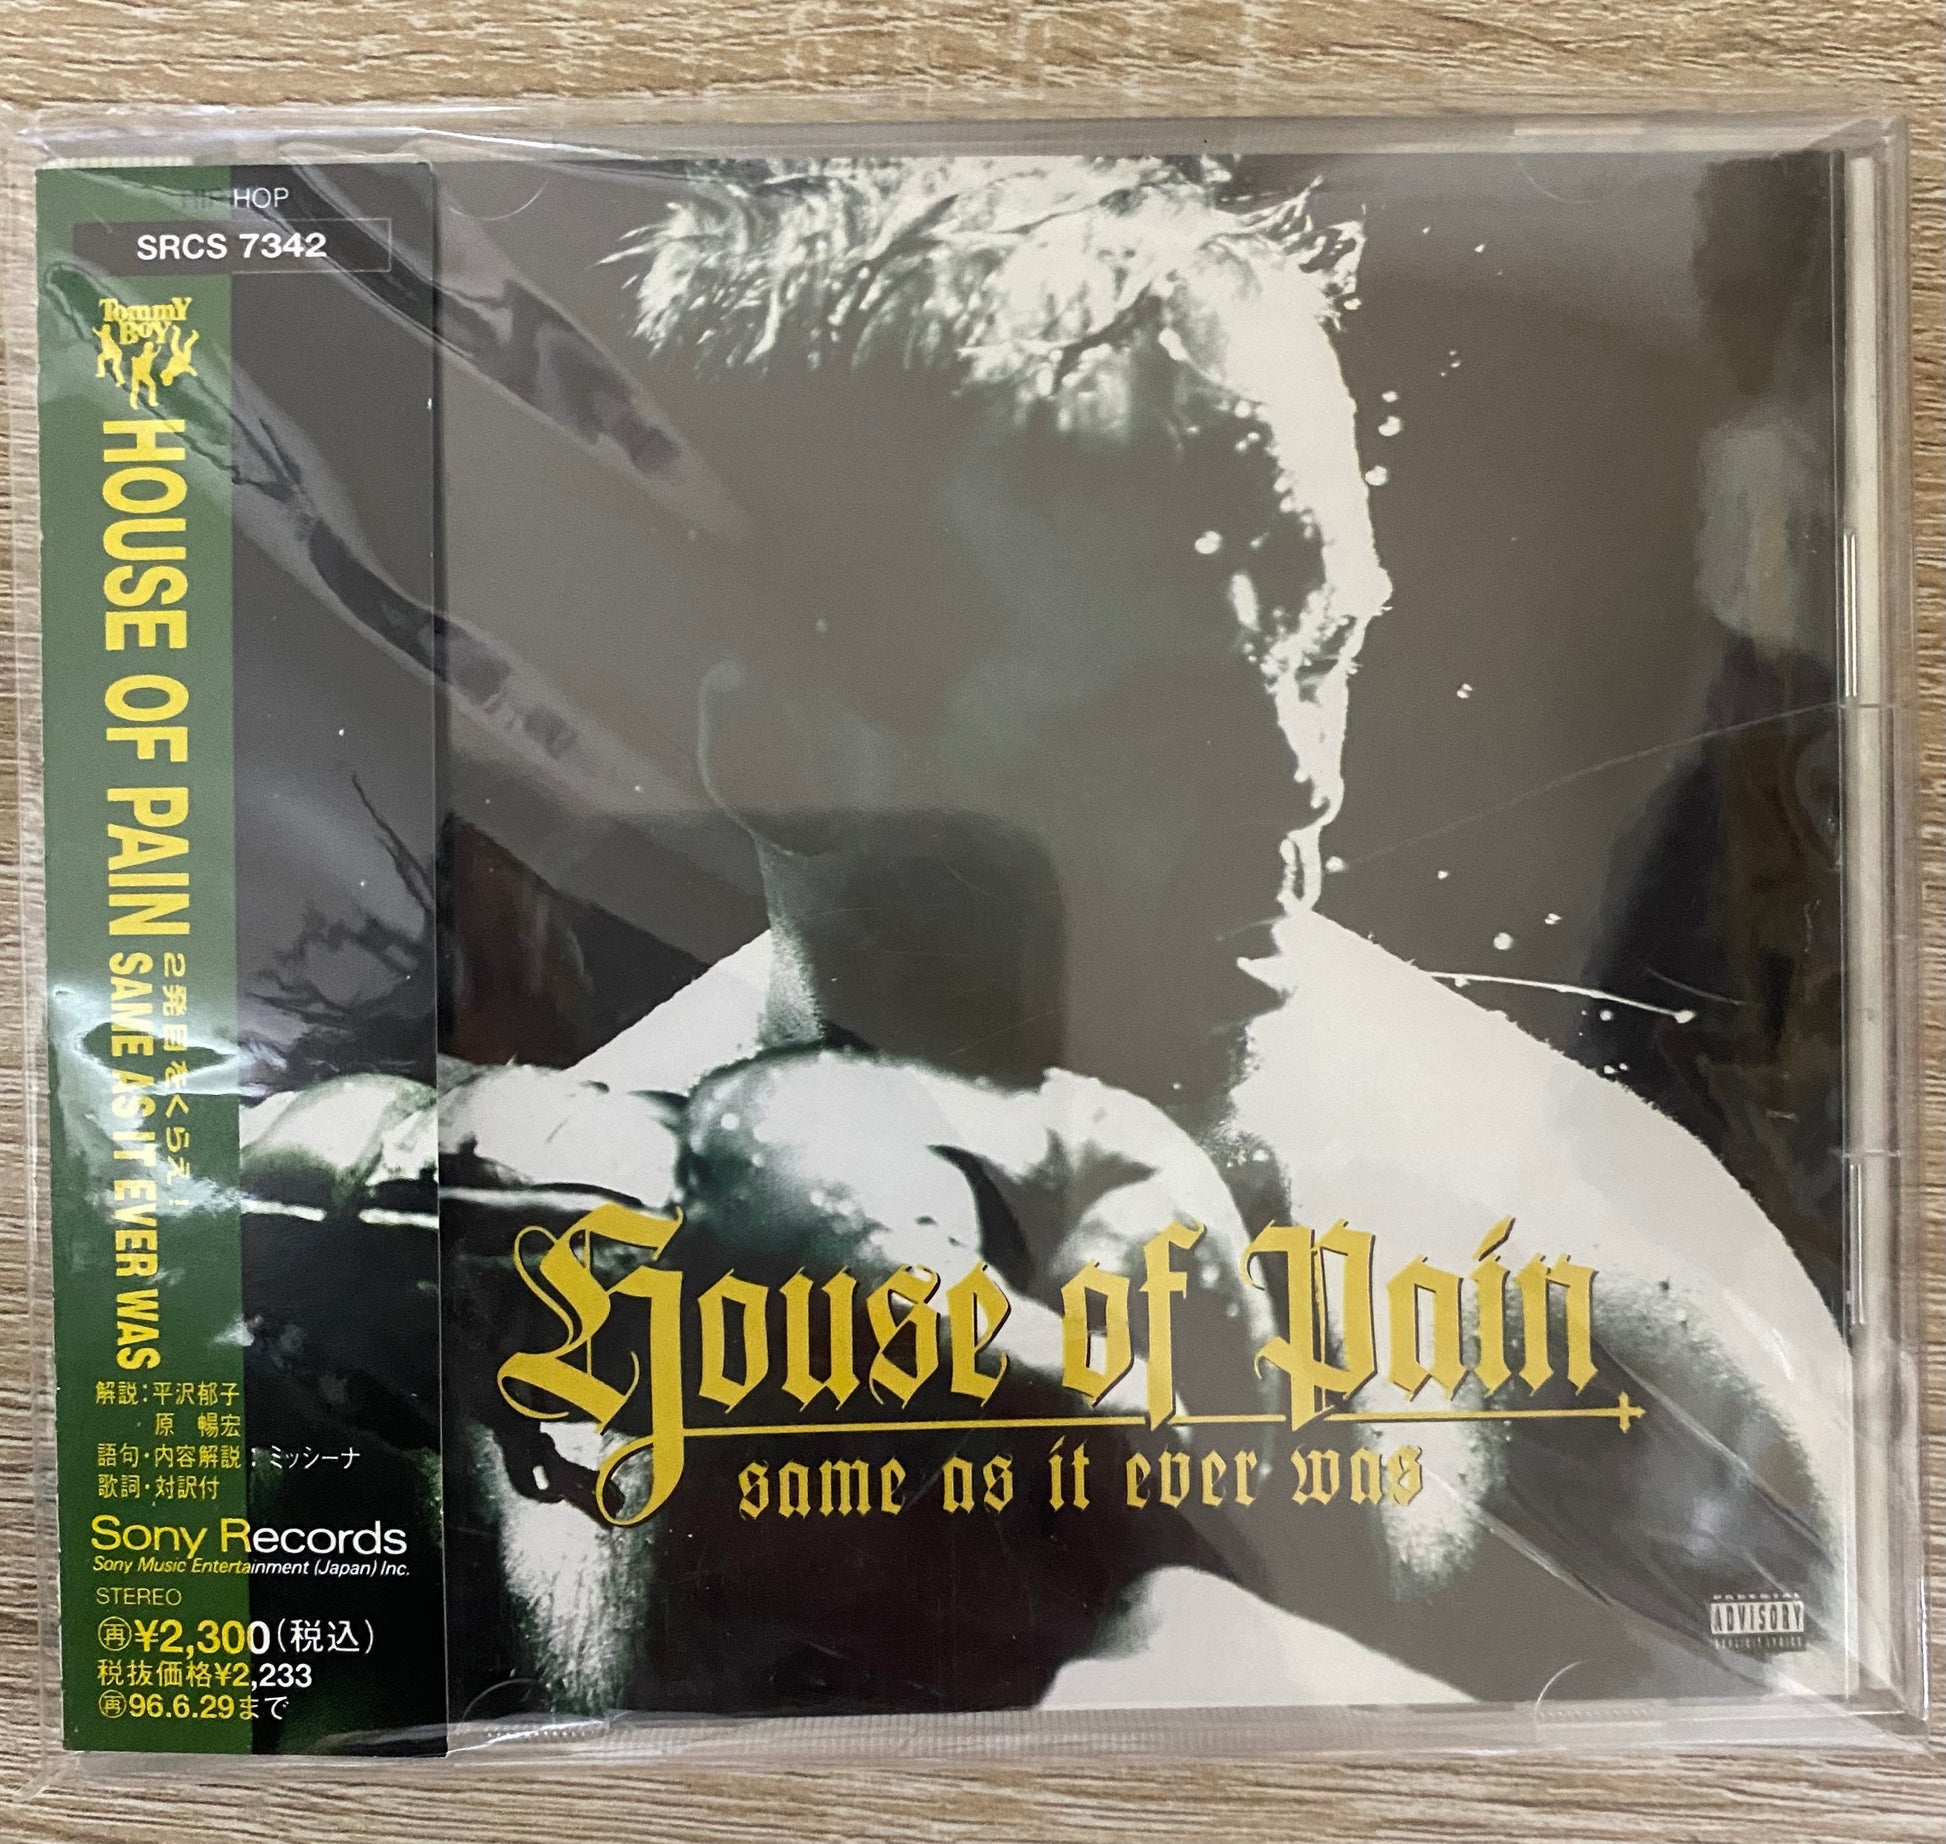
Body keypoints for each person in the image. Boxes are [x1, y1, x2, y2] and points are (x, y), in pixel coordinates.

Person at [246, 157, 1848, 1718]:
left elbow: (1826, 1773)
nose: (1301, 785)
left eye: (1320, 653)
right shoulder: (494, 1285)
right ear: (770, 747)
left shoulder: (1597, 1289)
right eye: (1155, 720)